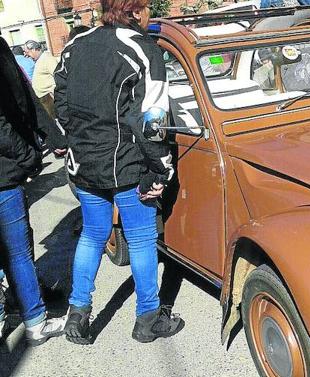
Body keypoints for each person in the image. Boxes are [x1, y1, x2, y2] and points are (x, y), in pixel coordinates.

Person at [55, 0, 184, 345]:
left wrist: (78, 144)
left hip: (84, 163)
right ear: (136, 11)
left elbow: (61, 103)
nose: (150, 15)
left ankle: (77, 315)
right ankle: (148, 319)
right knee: (141, 239)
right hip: (128, 163)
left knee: (93, 235)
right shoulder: (145, 50)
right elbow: (153, 121)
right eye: (146, 8)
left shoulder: (74, 45)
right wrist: (160, 170)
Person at [0, 33, 65, 345]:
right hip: (4, 174)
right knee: (17, 253)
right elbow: (14, 107)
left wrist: (50, 136)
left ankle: (23, 304)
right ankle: (35, 321)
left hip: (7, 170)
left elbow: (25, 96)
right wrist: (26, 155)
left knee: (16, 254)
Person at [23, 40, 58, 118]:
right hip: (44, 98)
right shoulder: (40, 60)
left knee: (54, 122)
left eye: (27, 52)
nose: (26, 55)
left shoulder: (47, 58)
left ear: (34, 49)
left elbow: (57, 76)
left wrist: (55, 95)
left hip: (49, 97)